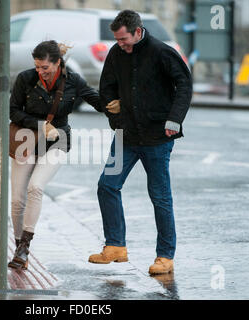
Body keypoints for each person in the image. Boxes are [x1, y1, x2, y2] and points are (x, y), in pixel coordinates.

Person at [88, 10, 192, 275]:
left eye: (124, 39)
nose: (120, 44)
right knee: (107, 186)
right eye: (117, 39)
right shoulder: (116, 53)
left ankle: (165, 257)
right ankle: (115, 246)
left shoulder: (162, 51)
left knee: (159, 196)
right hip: (126, 136)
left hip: (158, 138)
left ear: (137, 31)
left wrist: (175, 118)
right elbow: (106, 86)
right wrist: (111, 106)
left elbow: (184, 83)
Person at [8, 40, 102, 270]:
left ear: (57, 63)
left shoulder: (73, 81)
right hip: (26, 140)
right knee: (17, 199)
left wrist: (117, 104)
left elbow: (96, 100)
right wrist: (40, 125)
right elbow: (13, 111)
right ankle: (19, 246)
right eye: (37, 67)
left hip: (57, 141)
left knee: (36, 187)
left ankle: (24, 247)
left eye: (45, 68)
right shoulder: (25, 79)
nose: (40, 72)